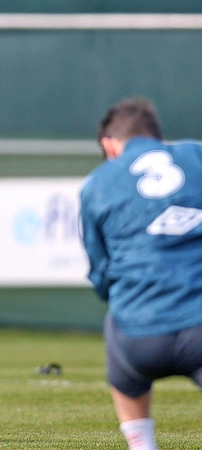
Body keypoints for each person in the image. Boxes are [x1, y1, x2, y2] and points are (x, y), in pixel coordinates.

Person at [80, 98, 202, 450]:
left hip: (139, 337)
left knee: (117, 330)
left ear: (109, 145)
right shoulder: (196, 156)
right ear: (157, 137)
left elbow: (100, 271)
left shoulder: (97, 183)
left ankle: (142, 445)